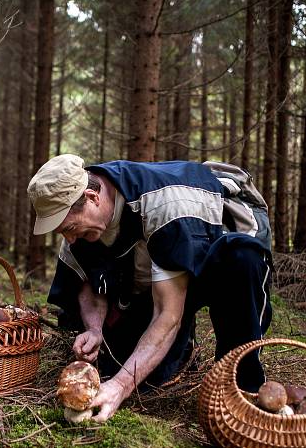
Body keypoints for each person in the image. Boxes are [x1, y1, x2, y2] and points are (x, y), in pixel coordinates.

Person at [27, 154, 273, 422]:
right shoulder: (80, 223)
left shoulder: (166, 205)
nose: (70, 238)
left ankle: (240, 385)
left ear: (92, 197)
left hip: (210, 251)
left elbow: (167, 314)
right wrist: (94, 328)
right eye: (63, 232)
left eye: (71, 228)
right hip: (154, 272)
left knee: (242, 259)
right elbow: (87, 278)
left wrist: (120, 387)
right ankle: (182, 347)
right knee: (140, 376)